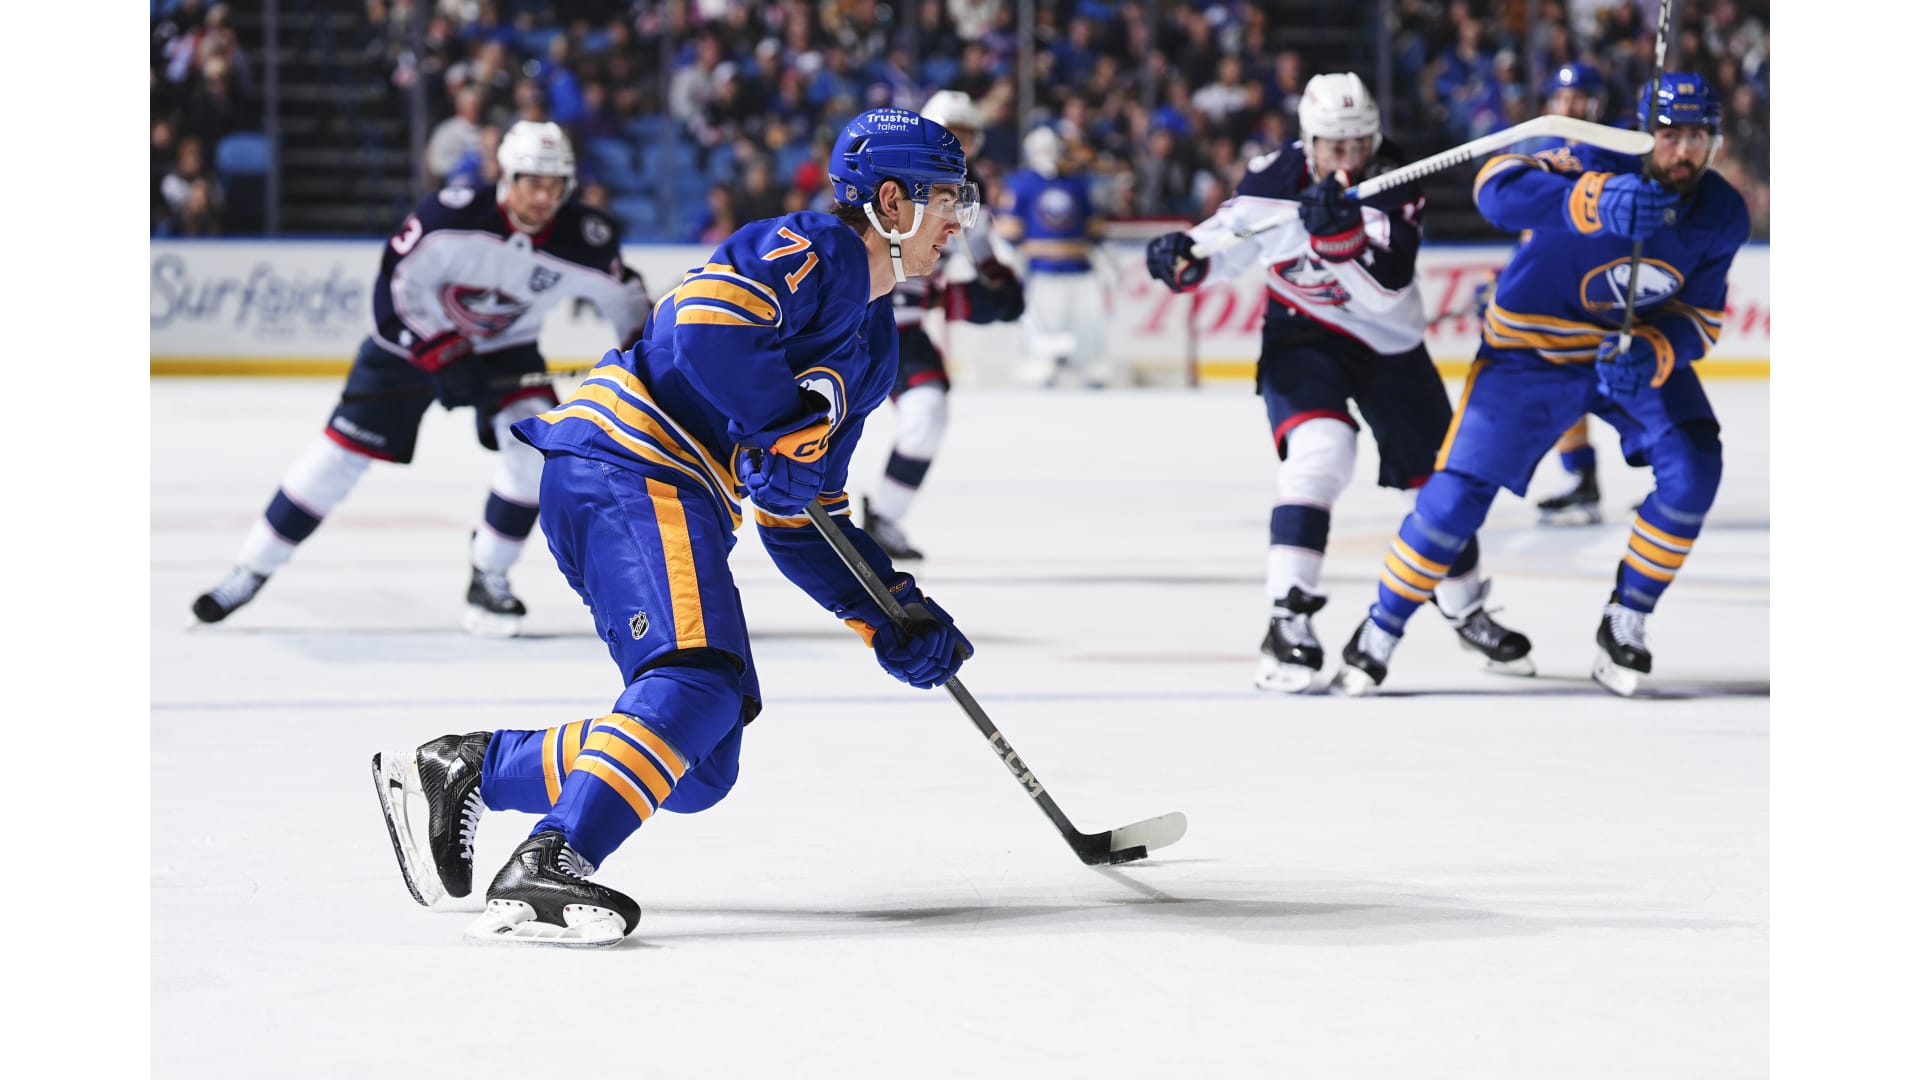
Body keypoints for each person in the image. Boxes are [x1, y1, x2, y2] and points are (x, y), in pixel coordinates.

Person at [372, 107, 980, 945]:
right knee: (698, 683)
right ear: (891, 201)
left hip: (662, 489)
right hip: (628, 461)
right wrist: (776, 423)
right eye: (946, 198)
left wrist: (890, 609)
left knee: (701, 760)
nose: (958, 220)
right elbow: (701, 328)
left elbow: (801, 514)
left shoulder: (874, 349)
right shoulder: (814, 248)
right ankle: (551, 861)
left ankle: (472, 768)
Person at [1333, 74, 1747, 698]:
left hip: (1623, 356)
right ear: (1642, 133)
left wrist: (1656, 351)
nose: (1684, 151)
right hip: (1530, 352)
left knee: (1695, 469)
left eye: (1697, 137)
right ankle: (1380, 627)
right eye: (1670, 135)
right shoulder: (1595, 154)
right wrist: (1593, 200)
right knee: (1454, 499)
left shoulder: (1722, 211)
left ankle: (1627, 617)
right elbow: (1495, 188)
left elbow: (1700, 317)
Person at [1144, 71, 1534, 694]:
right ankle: (1287, 618)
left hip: (1390, 347)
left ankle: (1465, 608)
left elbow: (1385, 294)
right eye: (1334, 146)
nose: (1349, 160)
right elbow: (1229, 244)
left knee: (1439, 490)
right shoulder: (1275, 177)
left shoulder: (1397, 180)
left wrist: (1340, 241)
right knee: (1321, 453)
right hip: (1302, 336)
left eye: (1359, 144)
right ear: (1309, 142)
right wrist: (1184, 257)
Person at [191, 121, 652, 637]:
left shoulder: (585, 239)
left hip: (505, 352)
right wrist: (442, 352)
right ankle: (251, 569)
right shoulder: (448, 217)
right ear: (507, 175)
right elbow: (394, 287)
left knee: (535, 452)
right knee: (338, 456)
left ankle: (489, 574)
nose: (544, 197)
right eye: (533, 182)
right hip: (412, 346)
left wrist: (643, 355)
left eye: (555, 184)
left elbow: (627, 300)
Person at [861, 89, 1026, 561]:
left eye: (966, 136)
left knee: (927, 413)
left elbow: (985, 258)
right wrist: (954, 299)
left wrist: (995, 287)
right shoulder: (887, 178)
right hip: (853, 318)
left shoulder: (970, 194)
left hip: (903, 328)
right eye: (949, 133)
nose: (958, 144)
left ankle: (884, 518)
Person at [1531, 61, 1618, 526]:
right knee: (1561, 384)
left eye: (1579, 97)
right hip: (1561, 292)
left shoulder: (1615, 150)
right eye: (1563, 97)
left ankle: (1673, 474)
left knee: (1629, 385)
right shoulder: (1542, 152)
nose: (1570, 106)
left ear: (1595, 103)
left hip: (1606, 286)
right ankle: (1583, 479)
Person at [996, 125, 1109, 388]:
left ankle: (1089, 365)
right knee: (1044, 321)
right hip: (1041, 269)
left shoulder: (1077, 183)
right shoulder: (1022, 183)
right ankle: (1042, 363)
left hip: (1079, 267)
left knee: (1086, 321)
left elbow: (1094, 227)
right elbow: (1009, 230)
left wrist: (1102, 253)